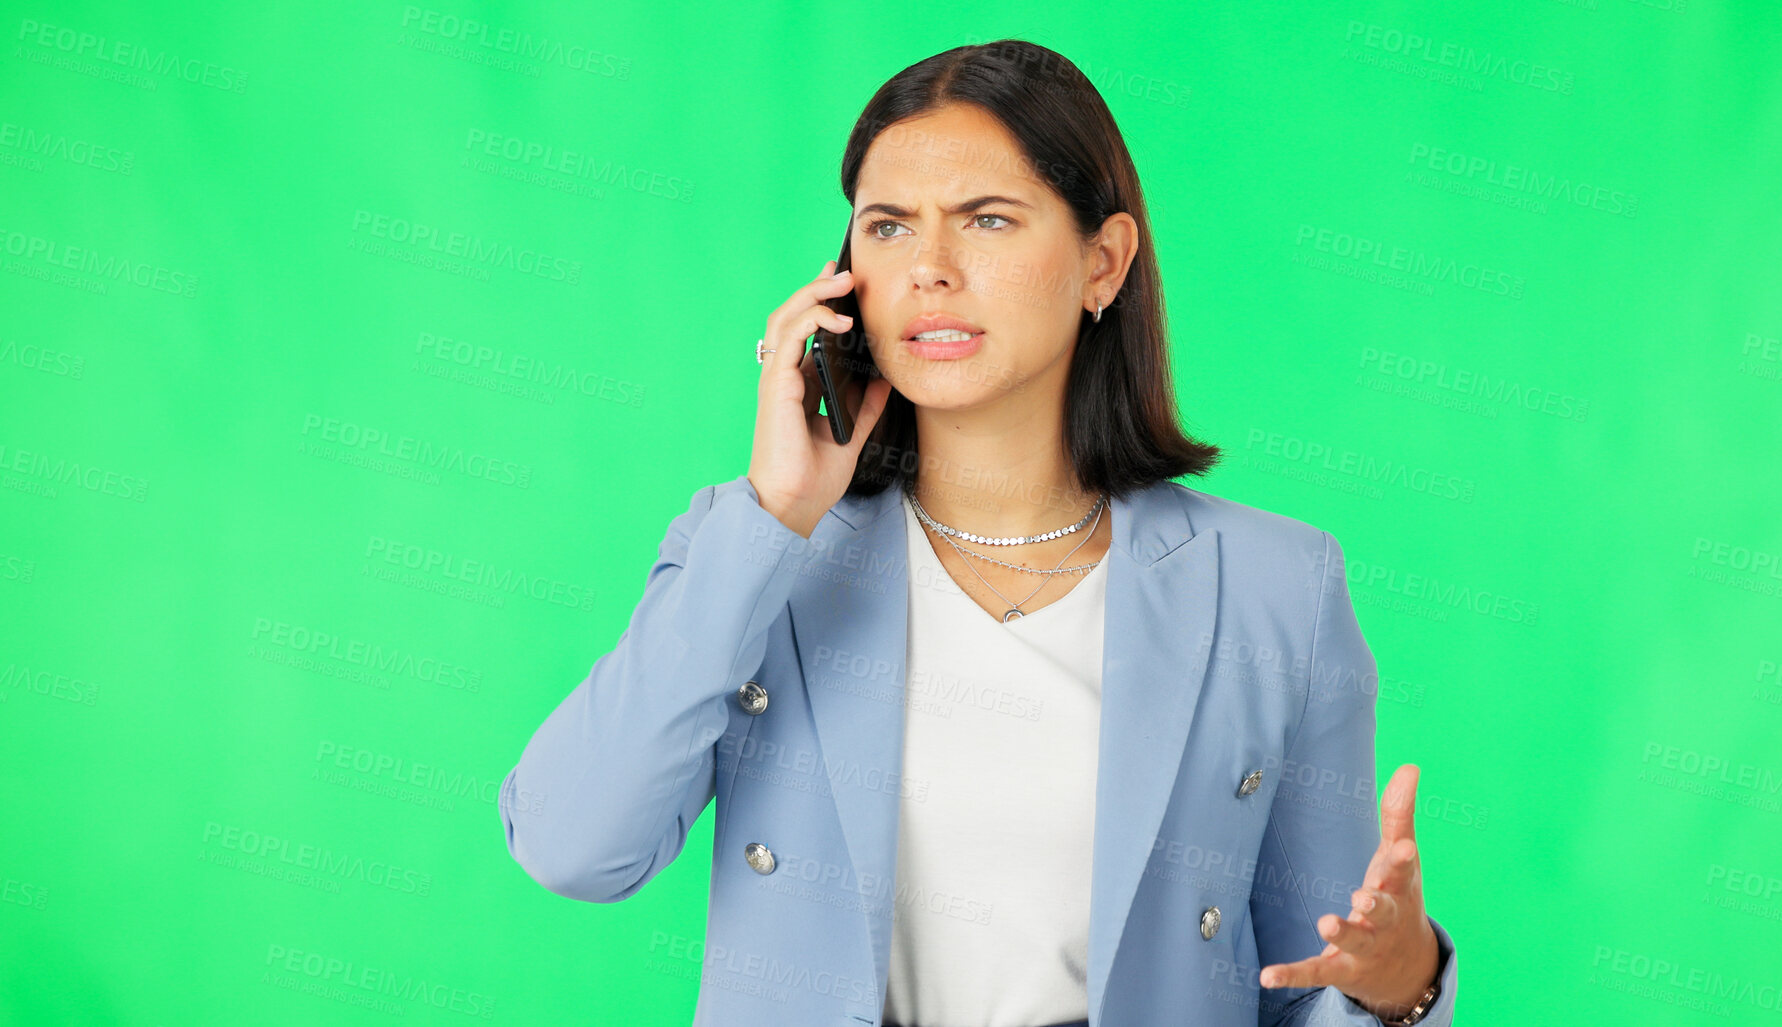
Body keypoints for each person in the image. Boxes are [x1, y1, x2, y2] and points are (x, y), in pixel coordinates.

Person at [499, 38, 1458, 1027]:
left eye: (987, 220)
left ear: (1104, 260)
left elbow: (1316, 979)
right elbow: (573, 848)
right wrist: (775, 513)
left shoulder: (1272, 584)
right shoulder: (754, 551)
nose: (930, 270)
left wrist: (1400, 984)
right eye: (888, 227)